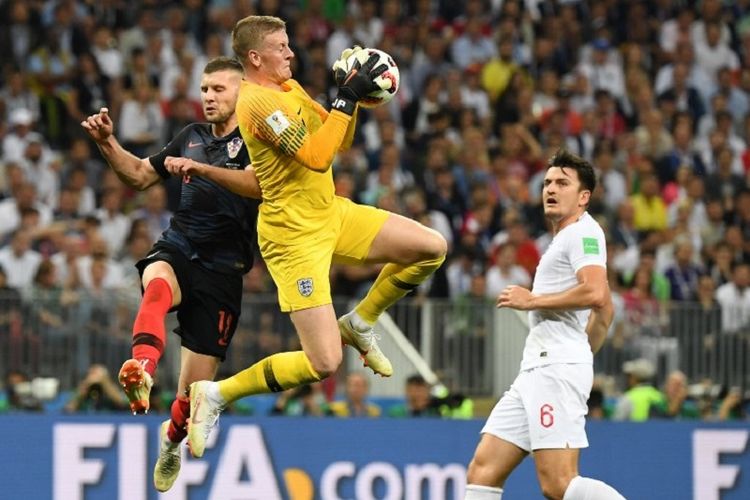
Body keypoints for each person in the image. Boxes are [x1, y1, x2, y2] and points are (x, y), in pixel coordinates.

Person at [172, 16, 447, 458]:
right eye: (281, 47)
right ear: (256, 58)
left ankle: (360, 321)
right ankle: (217, 394)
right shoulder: (256, 103)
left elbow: (339, 141)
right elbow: (317, 158)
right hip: (293, 238)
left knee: (431, 248)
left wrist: (353, 97)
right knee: (324, 362)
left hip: (330, 213)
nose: (291, 53)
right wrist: (345, 98)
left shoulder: (289, 88)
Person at [80, 56, 260, 493]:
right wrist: (107, 143)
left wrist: (201, 170)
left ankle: (170, 441)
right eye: (204, 89)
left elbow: (258, 186)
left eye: (219, 89)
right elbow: (140, 175)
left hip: (224, 271)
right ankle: (141, 368)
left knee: (191, 398)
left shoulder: (259, 141)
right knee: (157, 282)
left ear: (242, 92)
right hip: (181, 246)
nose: (209, 97)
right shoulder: (190, 136)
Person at [464, 150, 625, 500]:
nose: (551, 188)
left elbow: (595, 292)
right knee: (483, 469)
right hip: (538, 368)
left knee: (558, 485)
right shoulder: (566, 237)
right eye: (548, 182)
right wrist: (580, 353)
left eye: (562, 183)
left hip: (554, 369)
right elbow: (606, 310)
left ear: (584, 197)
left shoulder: (583, 233)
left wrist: (532, 301)